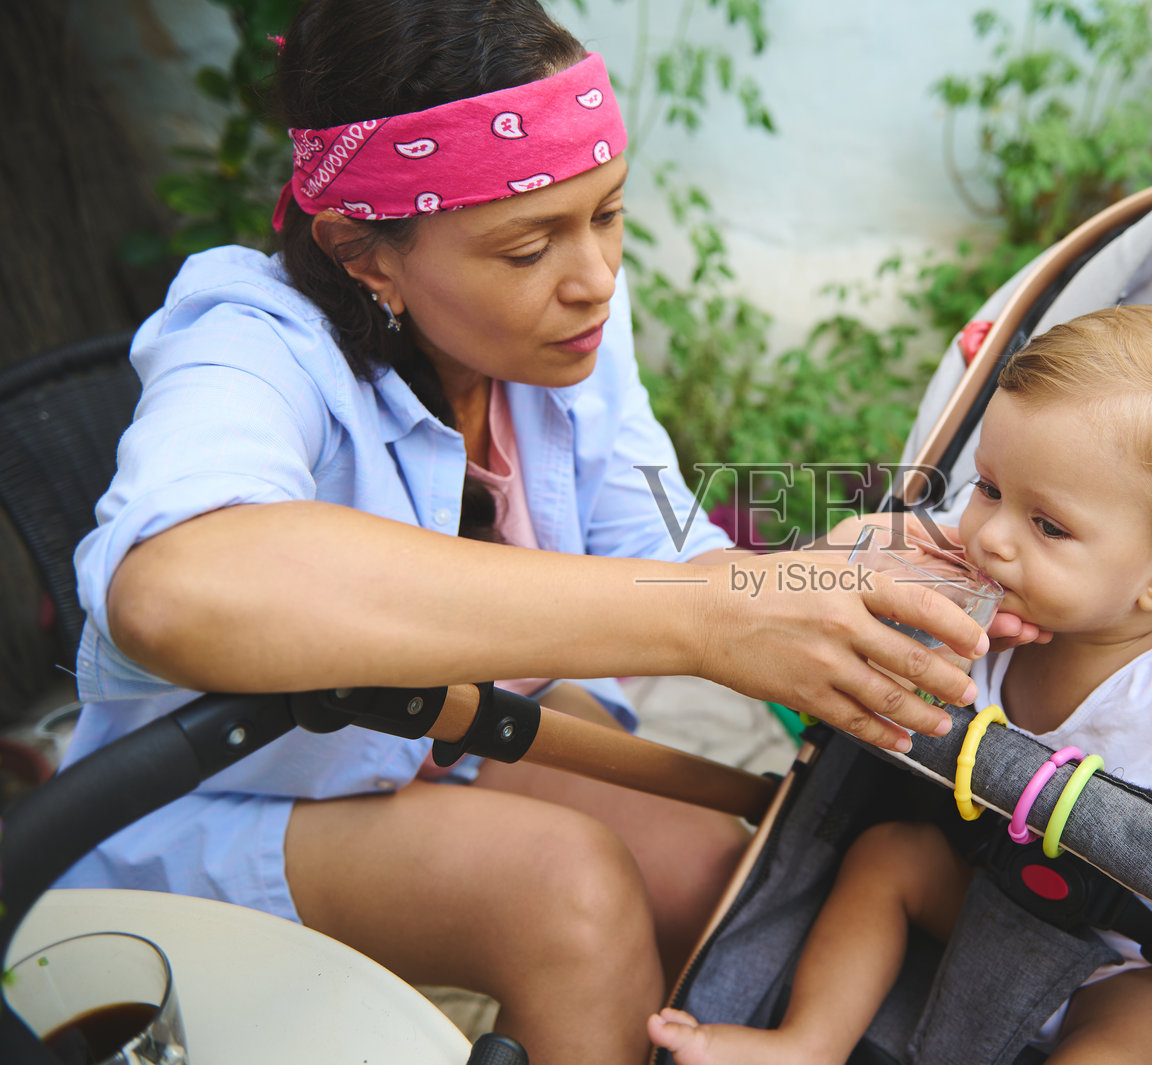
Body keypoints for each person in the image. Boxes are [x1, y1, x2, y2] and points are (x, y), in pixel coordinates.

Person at [52, 3, 1037, 1062]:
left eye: (607, 215)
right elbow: (176, 587)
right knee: (567, 897)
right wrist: (701, 619)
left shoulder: (564, 339)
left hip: (441, 741)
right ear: (361, 251)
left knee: (721, 882)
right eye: (528, 247)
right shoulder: (249, 347)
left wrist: (812, 582)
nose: (594, 278)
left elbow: (657, 560)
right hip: (221, 791)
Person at [646, 303, 1152, 1065]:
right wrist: (849, 564)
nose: (992, 537)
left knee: (1151, 1031)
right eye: (990, 488)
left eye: (1048, 524)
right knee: (888, 855)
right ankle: (808, 1040)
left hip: (1144, 965)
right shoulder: (972, 594)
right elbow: (834, 619)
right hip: (990, 890)